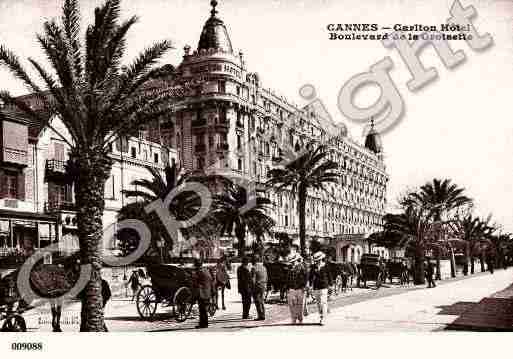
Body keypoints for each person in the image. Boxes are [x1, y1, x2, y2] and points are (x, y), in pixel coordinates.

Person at [309, 251, 332, 325]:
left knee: (323, 302)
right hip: (316, 287)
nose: (317, 261)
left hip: (324, 286)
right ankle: (321, 314)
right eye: (316, 260)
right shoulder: (313, 267)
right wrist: (310, 285)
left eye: (318, 259)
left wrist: (330, 285)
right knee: (318, 303)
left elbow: (329, 276)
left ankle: (323, 318)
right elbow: (310, 277)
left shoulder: (326, 266)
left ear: (322, 259)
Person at [286, 252, 308, 324]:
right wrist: (287, 288)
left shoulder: (302, 267)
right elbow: (287, 279)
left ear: (296, 260)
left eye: (293, 261)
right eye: (291, 261)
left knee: (300, 305)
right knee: (292, 305)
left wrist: (304, 286)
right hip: (291, 288)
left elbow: (306, 277)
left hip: (300, 288)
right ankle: (293, 318)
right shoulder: (289, 268)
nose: (292, 263)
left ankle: (300, 318)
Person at [192, 258, 213, 329]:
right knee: (204, 309)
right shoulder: (206, 270)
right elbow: (210, 279)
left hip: (202, 293)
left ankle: (203, 324)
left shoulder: (198, 272)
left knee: (202, 309)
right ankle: (204, 324)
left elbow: (195, 283)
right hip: (207, 292)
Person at [251, 255, 267, 321]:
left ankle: (260, 315)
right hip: (263, 285)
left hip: (257, 286)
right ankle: (263, 314)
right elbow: (267, 277)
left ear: (253, 261)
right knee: (262, 301)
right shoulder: (263, 267)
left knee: (257, 301)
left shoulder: (254, 268)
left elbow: (253, 279)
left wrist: (252, 288)